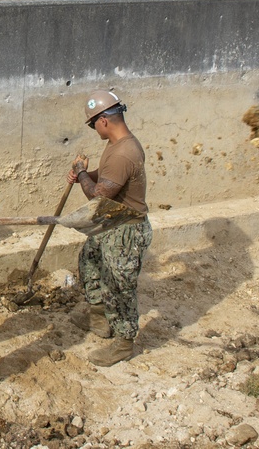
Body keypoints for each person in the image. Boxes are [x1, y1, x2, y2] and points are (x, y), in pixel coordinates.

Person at [68, 90, 152, 367]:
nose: (94, 130)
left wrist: (81, 174)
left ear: (103, 120)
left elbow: (99, 195)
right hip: (111, 224)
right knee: (89, 262)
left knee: (120, 286)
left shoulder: (124, 152)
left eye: (93, 125)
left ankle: (123, 343)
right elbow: (106, 177)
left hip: (126, 229)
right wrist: (85, 174)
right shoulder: (116, 145)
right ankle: (100, 318)